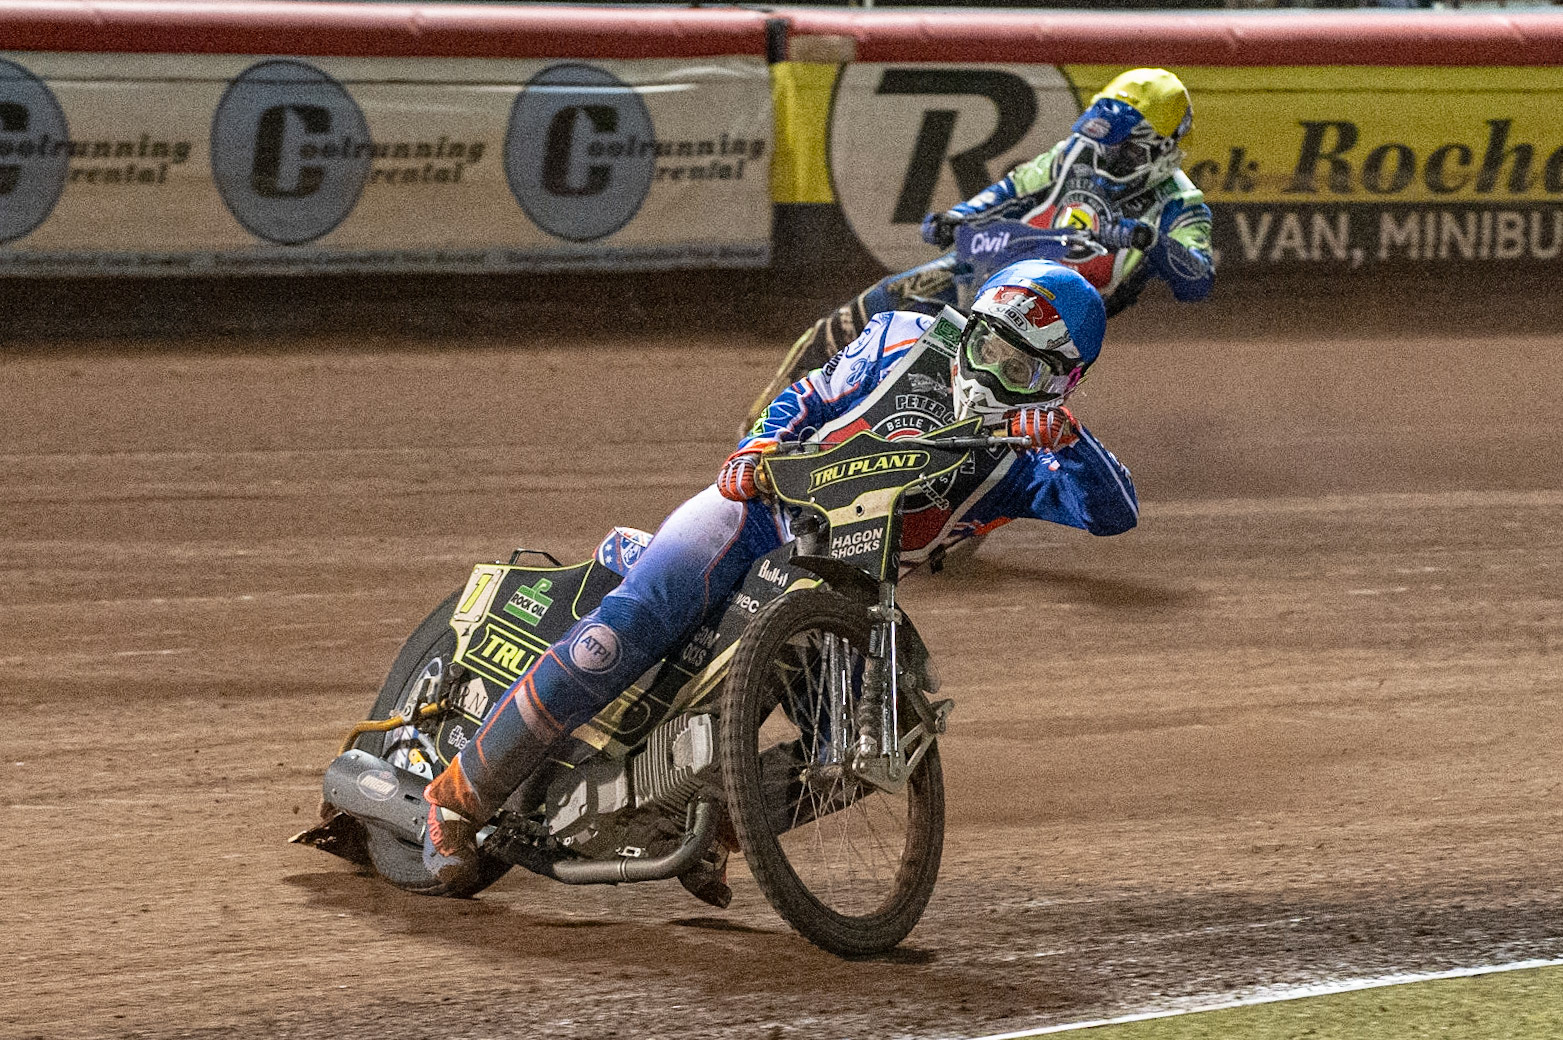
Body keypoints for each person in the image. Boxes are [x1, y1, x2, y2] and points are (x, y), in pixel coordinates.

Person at [422, 260, 1140, 895]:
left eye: (1019, 372)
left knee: (870, 745)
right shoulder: (899, 337)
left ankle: (708, 829)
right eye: (985, 347)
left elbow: (1115, 512)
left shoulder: (1028, 464)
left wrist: (1070, 441)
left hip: (847, 587)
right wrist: (761, 443)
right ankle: (455, 799)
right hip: (760, 514)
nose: (988, 374)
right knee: (624, 632)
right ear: (969, 326)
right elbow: (810, 395)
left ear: (1059, 383)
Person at [747, 68, 1214, 429]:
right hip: (995, 260)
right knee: (878, 304)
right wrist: (960, 216)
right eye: (1104, 145)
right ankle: (768, 418)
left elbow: (1198, 278)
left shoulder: (1182, 206)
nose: (1107, 159)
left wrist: (1153, 243)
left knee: (970, 388)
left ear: (1166, 148)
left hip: (1053, 322)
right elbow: (1014, 187)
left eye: (1125, 152)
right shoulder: (1075, 154)